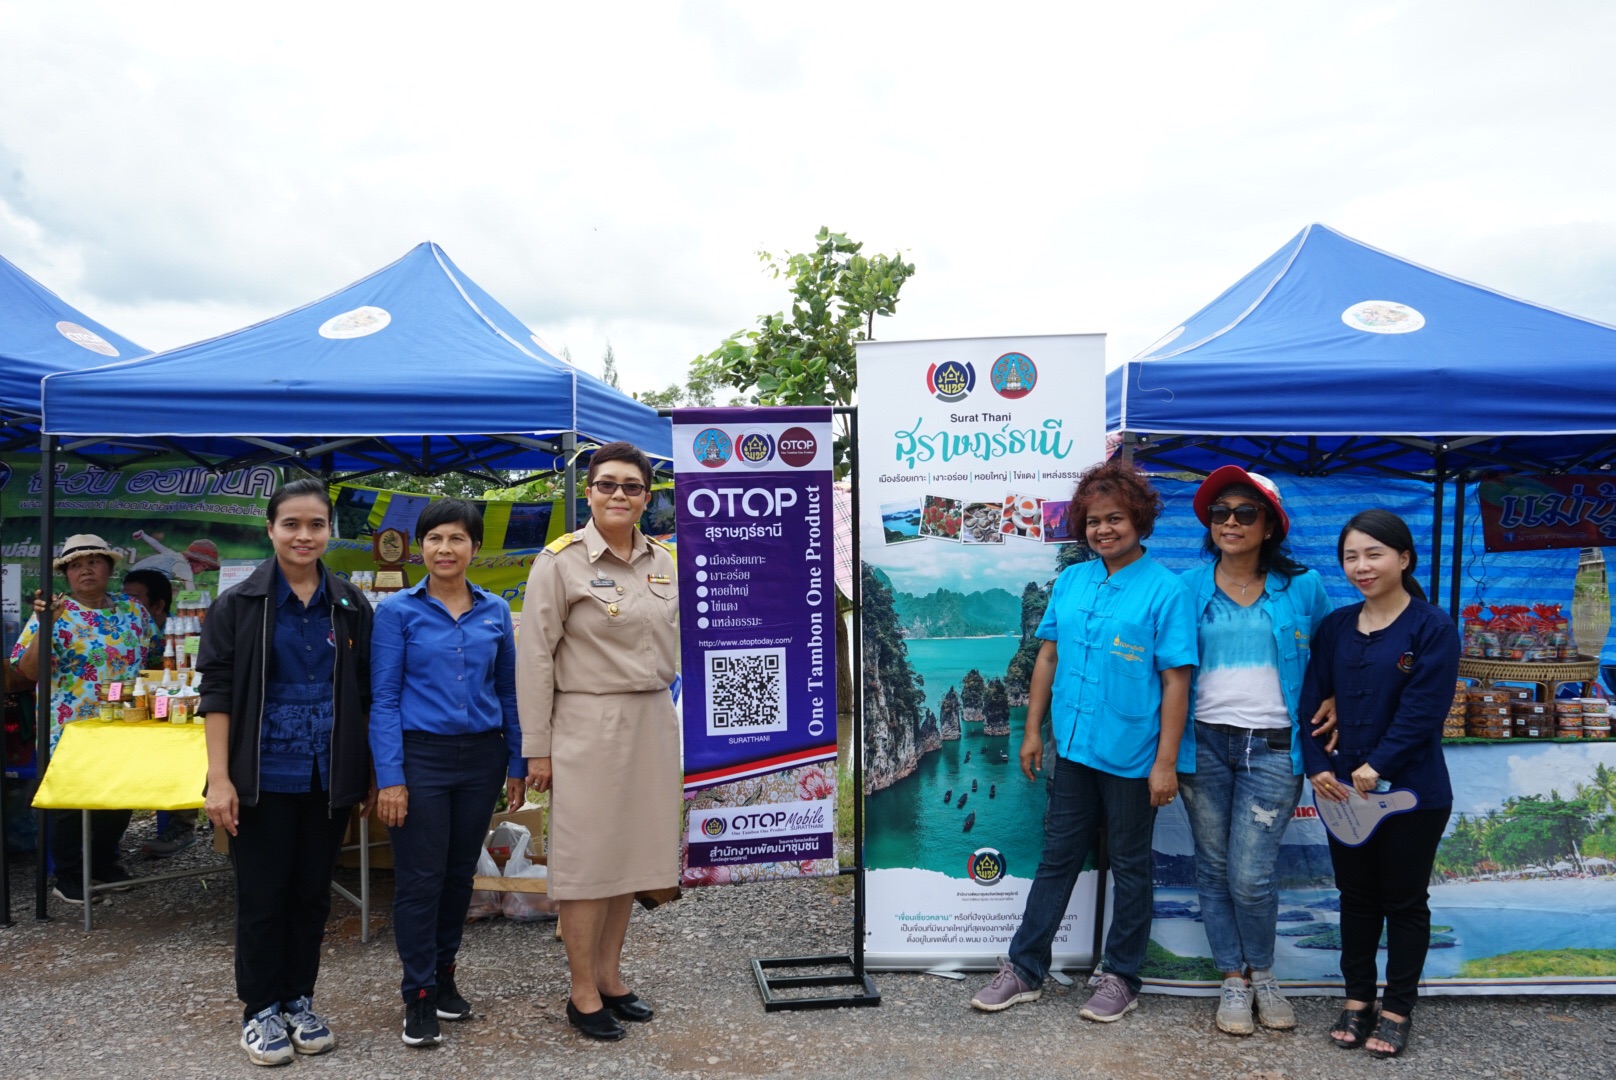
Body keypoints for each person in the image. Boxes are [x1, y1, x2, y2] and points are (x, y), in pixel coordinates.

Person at [970, 459, 1196, 1023]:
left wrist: (1165, 763)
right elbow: (1048, 655)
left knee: (1130, 864)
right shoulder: (1071, 581)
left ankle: (1121, 974)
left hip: (1132, 753)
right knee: (1057, 858)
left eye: (1115, 518)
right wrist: (1030, 732)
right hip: (1070, 747)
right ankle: (1024, 968)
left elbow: (1176, 680)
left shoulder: (1167, 590)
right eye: (1094, 521)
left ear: (1139, 519)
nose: (1104, 530)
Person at [198, 478, 375, 1067]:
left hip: (328, 777)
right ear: (271, 529)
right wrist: (219, 778)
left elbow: (366, 693)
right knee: (263, 896)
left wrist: (369, 772)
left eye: (316, 525)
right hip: (261, 774)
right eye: (292, 524)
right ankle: (260, 1011)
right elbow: (217, 693)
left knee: (311, 895)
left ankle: (300, 999)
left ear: (330, 531)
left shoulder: (349, 603)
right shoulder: (239, 605)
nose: (304, 536)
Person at [517, 441, 680, 1042]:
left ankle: (611, 978)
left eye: (631, 487)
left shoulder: (664, 561)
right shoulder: (558, 564)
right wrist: (538, 747)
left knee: (633, 857)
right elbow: (534, 658)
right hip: (587, 722)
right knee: (588, 863)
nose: (619, 495)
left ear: (645, 497)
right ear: (588, 492)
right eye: (607, 484)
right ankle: (581, 990)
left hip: (653, 721)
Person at [1175, 467, 1336, 1035]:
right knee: (1213, 869)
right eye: (1221, 513)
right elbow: (1167, 669)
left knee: (1251, 875)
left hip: (1272, 746)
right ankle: (1233, 980)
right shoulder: (1187, 588)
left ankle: (1265, 973)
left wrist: (1335, 698)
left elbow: (1329, 655)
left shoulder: (1304, 586)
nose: (1232, 522)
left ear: (1270, 525)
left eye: (1246, 513)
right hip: (1204, 743)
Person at [1300, 509, 1459, 1059]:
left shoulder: (1432, 627)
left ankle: (1397, 1009)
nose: (1361, 567)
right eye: (1351, 556)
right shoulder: (1336, 627)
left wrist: (1380, 763)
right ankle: (1357, 998)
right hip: (1343, 794)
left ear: (1403, 559)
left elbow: (1423, 711)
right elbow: (1312, 699)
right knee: (1357, 898)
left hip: (1414, 792)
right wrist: (1316, 763)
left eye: (1374, 554)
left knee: (1405, 900)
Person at [370, 499, 526, 1047]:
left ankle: (445, 977)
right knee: (420, 878)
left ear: (474, 548)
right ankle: (417, 996)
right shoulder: (397, 612)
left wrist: (517, 761)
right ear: (420, 547)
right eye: (434, 538)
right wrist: (390, 777)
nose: (444, 549)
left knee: (460, 875)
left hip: (481, 758)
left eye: (456, 538)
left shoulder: (494, 612)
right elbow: (384, 699)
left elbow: (507, 691)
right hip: (420, 759)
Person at [10, 534, 158, 903]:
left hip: (124, 720)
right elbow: (28, 671)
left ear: (109, 568)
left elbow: (151, 653)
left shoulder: (131, 609)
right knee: (70, 801)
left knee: (119, 794)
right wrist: (47, 625)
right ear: (67, 575)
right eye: (75, 565)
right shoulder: (55, 612)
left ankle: (105, 863)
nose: (85, 570)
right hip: (70, 722)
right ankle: (69, 876)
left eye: (93, 561)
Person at [120, 568, 200, 860]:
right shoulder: (124, 633)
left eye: (133, 598)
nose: (125, 603)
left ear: (157, 606)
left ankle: (183, 826)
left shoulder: (181, 637)